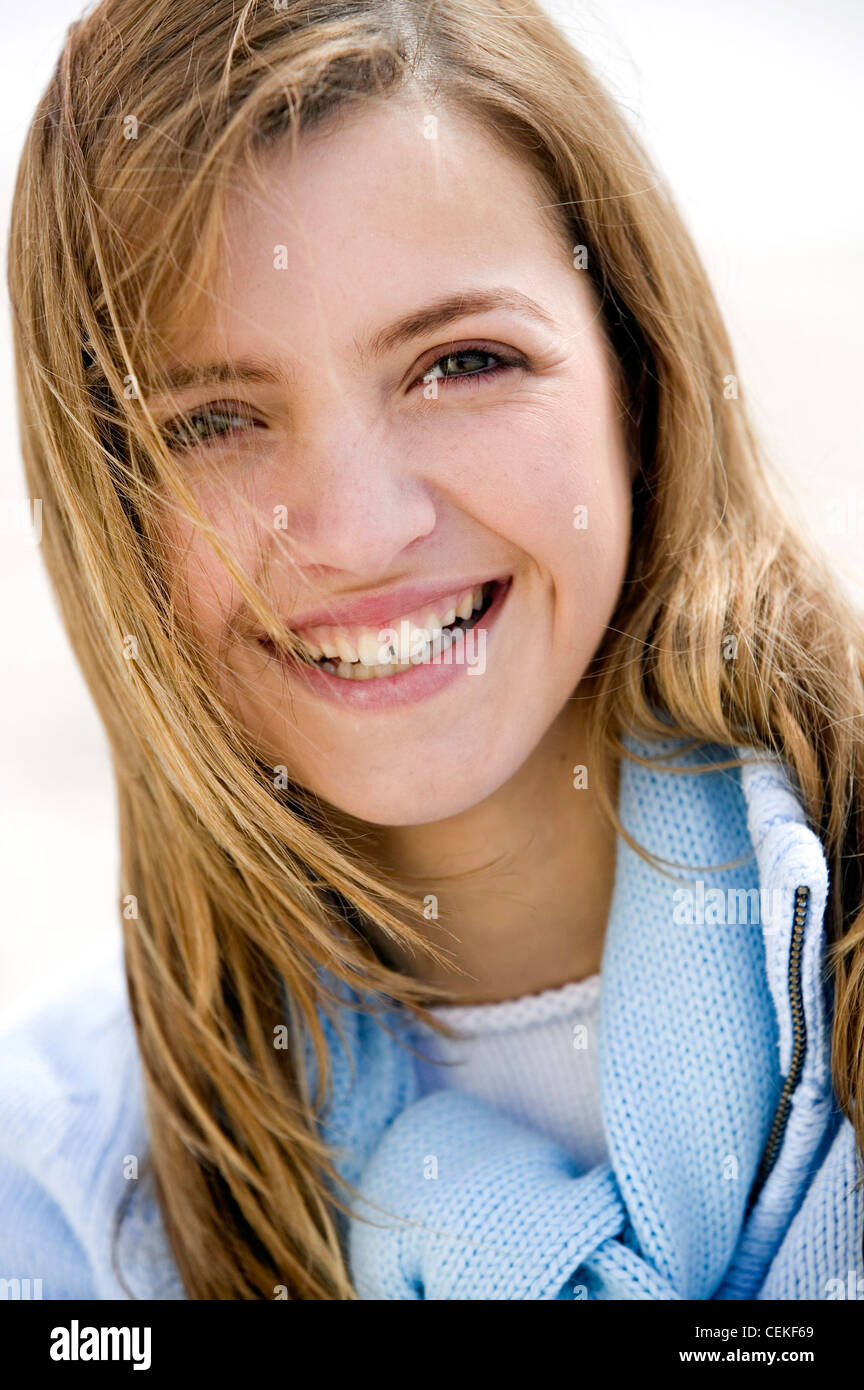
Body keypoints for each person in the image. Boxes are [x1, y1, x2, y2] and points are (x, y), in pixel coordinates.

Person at [1, 0, 862, 1301]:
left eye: (462, 362)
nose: (358, 532)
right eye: (217, 419)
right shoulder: (66, 1194)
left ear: (638, 376)